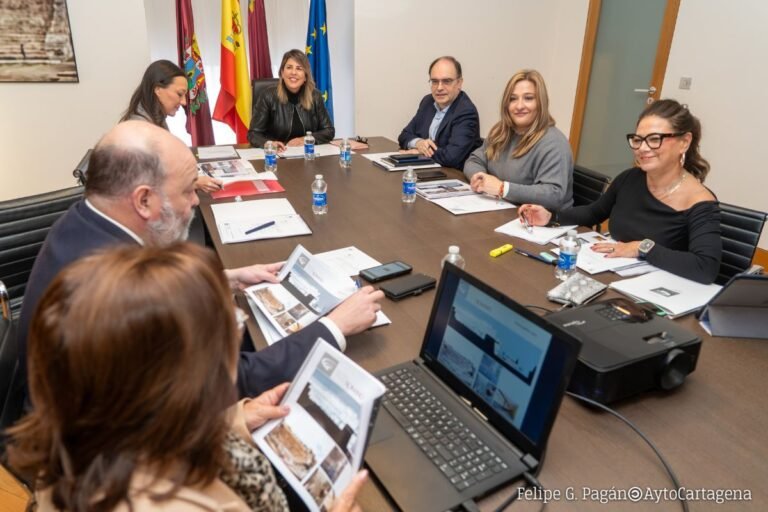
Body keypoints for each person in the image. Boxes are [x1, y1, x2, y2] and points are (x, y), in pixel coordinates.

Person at [17, 120, 384, 400]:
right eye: (188, 189)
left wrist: (225, 277)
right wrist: (334, 326)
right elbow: (232, 382)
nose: (195, 201)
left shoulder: (84, 219)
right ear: (143, 201)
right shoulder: (125, 294)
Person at [7, 243, 367, 511]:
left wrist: (233, 421)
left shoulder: (74, 442)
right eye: (233, 327)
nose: (235, 338)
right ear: (182, 373)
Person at [518, 99, 721, 284]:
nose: (642, 148)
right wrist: (551, 217)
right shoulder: (630, 178)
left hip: (657, 292)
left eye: (654, 139)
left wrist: (642, 248)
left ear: (684, 142)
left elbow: (705, 267)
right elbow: (594, 212)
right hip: (612, 277)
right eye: (638, 140)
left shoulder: (700, 201)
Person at [463, 69, 573, 210]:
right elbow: (474, 160)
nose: (519, 106)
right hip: (503, 210)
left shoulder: (554, 143)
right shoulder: (501, 131)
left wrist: (503, 189)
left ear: (541, 102)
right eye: (513, 99)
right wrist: (480, 178)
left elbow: (553, 195)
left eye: (528, 98)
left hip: (544, 224)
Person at [121, 59, 222, 193]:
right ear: (158, 90)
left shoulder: (154, 116)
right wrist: (194, 183)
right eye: (179, 94)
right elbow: (148, 184)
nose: (184, 102)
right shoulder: (140, 129)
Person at [398, 56, 482, 169]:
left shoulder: (466, 112)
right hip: (427, 170)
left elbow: (451, 157)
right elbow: (404, 136)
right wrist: (419, 143)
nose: (439, 87)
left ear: (459, 83)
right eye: (434, 81)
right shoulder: (427, 102)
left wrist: (420, 153)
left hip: (453, 176)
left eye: (446, 81)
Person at [248, 49, 334, 150]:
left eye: (299, 68)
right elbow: (253, 134)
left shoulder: (315, 96)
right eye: (289, 67)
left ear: (305, 76)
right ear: (282, 73)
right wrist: (269, 144)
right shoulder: (267, 96)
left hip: (307, 155)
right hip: (276, 155)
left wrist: (304, 139)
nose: (293, 72)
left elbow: (329, 130)